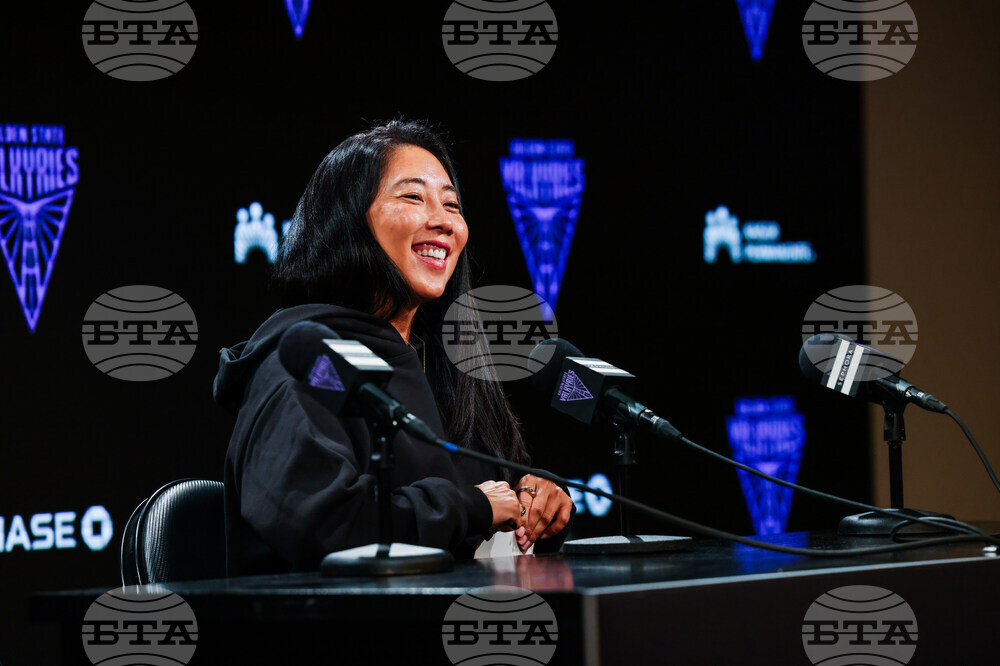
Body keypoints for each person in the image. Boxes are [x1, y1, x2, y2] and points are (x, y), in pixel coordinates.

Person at [214, 119, 574, 575]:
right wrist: (470, 507)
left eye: (451, 204)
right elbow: (325, 525)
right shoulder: (309, 361)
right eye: (412, 197)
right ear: (348, 221)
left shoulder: (441, 363)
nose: (443, 221)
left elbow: (494, 494)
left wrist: (537, 499)